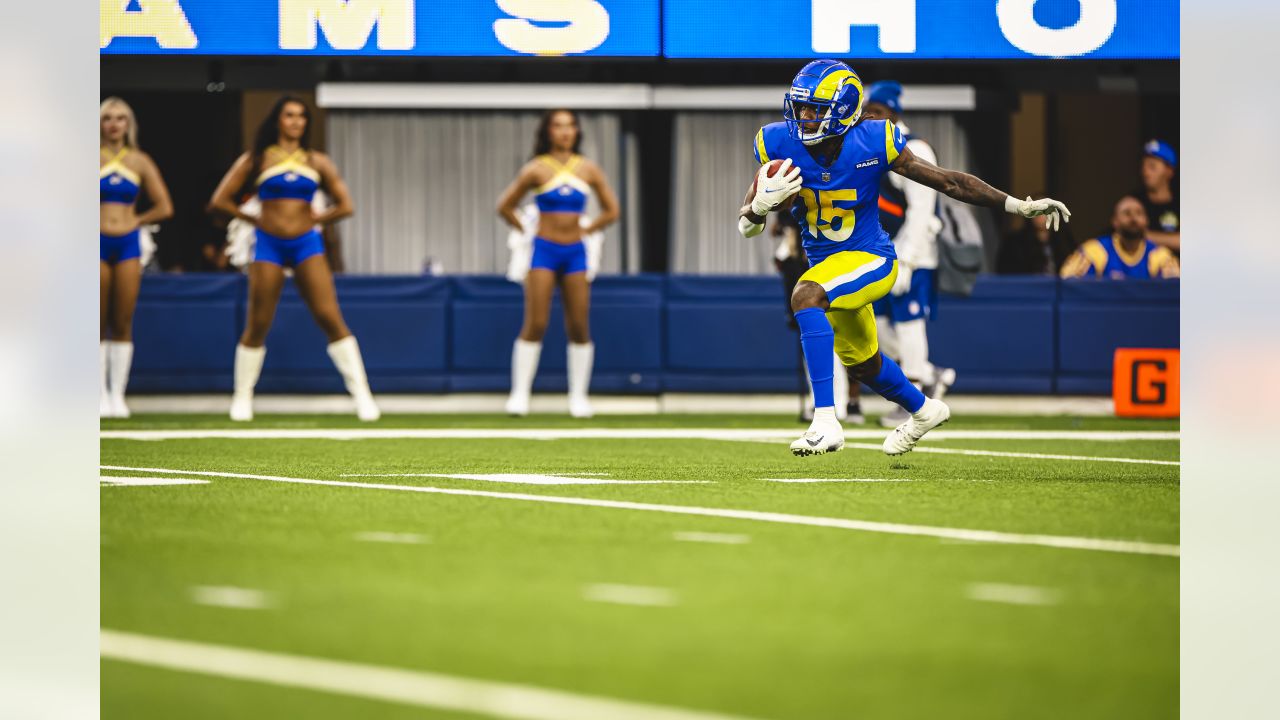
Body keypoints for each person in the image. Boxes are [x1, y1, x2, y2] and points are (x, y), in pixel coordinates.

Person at [739, 60, 1070, 457]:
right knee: (864, 364)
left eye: (815, 110)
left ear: (843, 110)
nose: (804, 118)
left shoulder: (874, 140)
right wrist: (759, 206)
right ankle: (925, 409)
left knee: (806, 296)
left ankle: (826, 420)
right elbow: (747, 227)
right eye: (801, 108)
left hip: (870, 257)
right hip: (828, 267)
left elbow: (948, 181)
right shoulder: (777, 143)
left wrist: (1017, 206)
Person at [209, 95, 379, 422]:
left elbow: (346, 205)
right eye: (289, 115)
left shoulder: (317, 162)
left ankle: (363, 396)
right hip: (268, 245)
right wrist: (255, 220)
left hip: (306, 244)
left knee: (330, 317)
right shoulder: (258, 159)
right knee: (258, 323)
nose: (296, 121)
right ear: (277, 120)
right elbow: (220, 200)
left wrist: (317, 220)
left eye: (301, 116)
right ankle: (242, 398)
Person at [496, 109, 620, 418]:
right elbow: (505, 206)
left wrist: (588, 230)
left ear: (576, 131)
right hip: (543, 251)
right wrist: (527, 229)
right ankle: (520, 395)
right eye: (558, 126)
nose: (564, 132)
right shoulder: (536, 168)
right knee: (536, 322)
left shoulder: (588, 169)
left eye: (570, 126)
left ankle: (578, 397)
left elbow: (611, 210)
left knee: (578, 326)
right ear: (548, 131)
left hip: (575, 252)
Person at [859, 80, 957, 429]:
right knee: (880, 326)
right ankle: (930, 375)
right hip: (882, 254)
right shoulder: (867, 147)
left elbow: (921, 212)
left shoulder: (913, 148)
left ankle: (912, 394)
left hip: (915, 257)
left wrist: (907, 261)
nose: (871, 117)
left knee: (908, 323)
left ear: (895, 115)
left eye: (879, 112)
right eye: (867, 111)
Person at [100, 97, 173, 418]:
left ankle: (118, 394)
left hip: (128, 242)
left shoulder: (139, 161)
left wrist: (137, 220)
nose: (114, 124)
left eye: (120, 119)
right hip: (94, 242)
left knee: (123, 319)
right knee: (96, 319)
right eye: (107, 118)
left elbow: (164, 206)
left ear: (129, 124)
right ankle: (99, 393)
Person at [1060, 195, 1179, 280]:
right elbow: (1067, 283)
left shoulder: (1161, 256)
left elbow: (1176, 295)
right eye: (1127, 213)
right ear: (1115, 222)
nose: (1133, 218)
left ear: (1146, 221)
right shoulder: (1094, 251)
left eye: (1139, 213)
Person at [1135, 139, 1179, 252]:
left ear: (1169, 171)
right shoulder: (1134, 202)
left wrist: (1143, 235)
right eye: (1143, 166)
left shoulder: (1182, 203)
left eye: (1152, 166)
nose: (1145, 172)